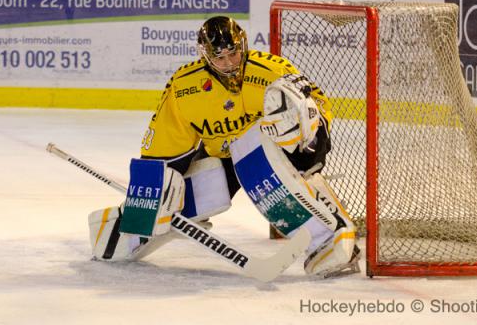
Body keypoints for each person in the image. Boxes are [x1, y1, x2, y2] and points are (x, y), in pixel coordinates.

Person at [88, 16, 360, 278]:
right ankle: (120, 230)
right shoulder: (185, 88)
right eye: (219, 57)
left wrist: (312, 142)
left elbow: (315, 109)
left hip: (273, 154)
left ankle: (330, 236)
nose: (229, 63)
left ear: (243, 47)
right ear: (205, 56)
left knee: (254, 165)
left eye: (234, 54)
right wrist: (147, 202)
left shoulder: (272, 73)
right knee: (188, 195)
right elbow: (162, 149)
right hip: (221, 155)